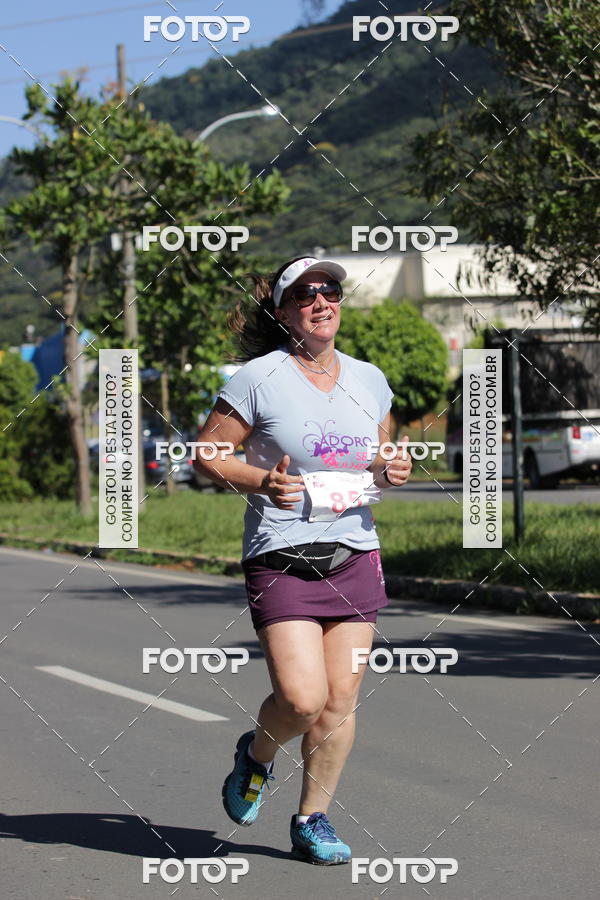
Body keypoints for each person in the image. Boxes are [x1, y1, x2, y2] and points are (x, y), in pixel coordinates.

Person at [195, 256, 412, 865]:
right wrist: (263, 480)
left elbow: (384, 455)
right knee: (300, 699)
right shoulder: (258, 378)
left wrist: (394, 468)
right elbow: (208, 454)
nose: (322, 301)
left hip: (355, 555)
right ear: (285, 311)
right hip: (282, 556)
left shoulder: (369, 379)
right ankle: (257, 755)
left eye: (331, 291)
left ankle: (312, 819)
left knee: (339, 701)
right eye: (306, 294)